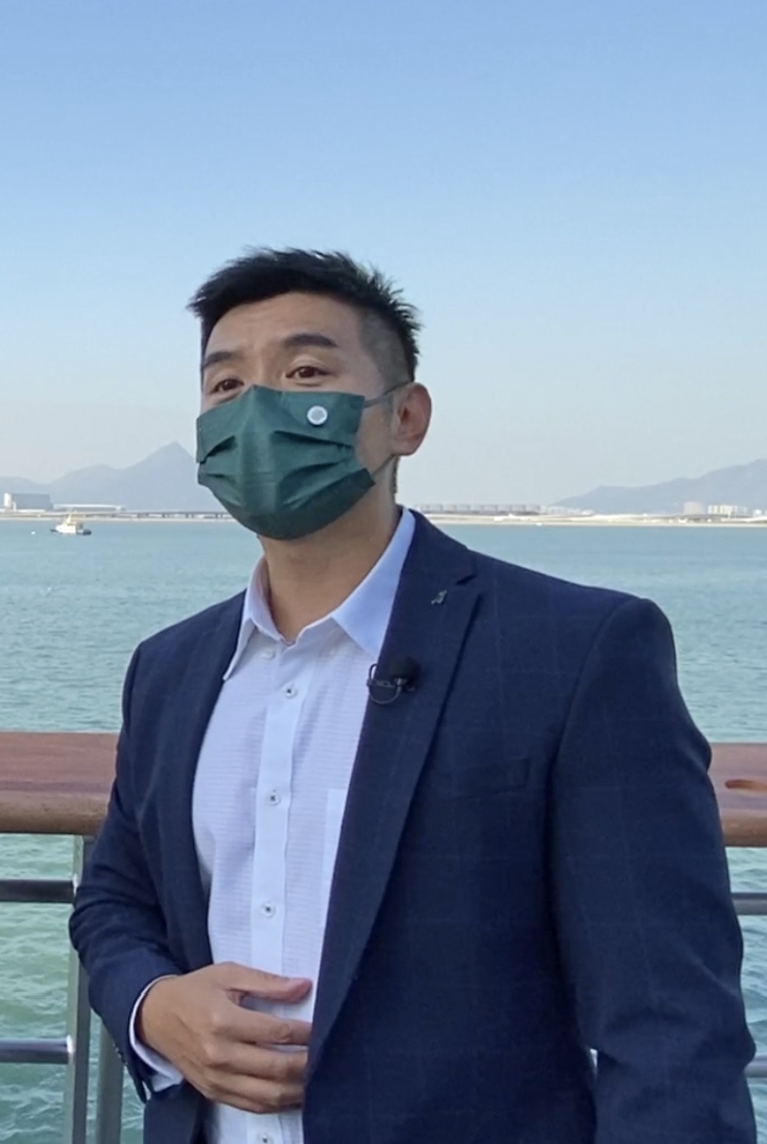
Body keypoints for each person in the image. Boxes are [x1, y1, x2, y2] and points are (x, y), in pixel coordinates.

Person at [68, 249, 754, 1144]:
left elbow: (669, 1022)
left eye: (306, 372)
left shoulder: (576, 650)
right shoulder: (171, 669)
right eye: (226, 385)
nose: (260, 408)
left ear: (406, 418)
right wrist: (155, 1007)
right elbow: (114, 898)